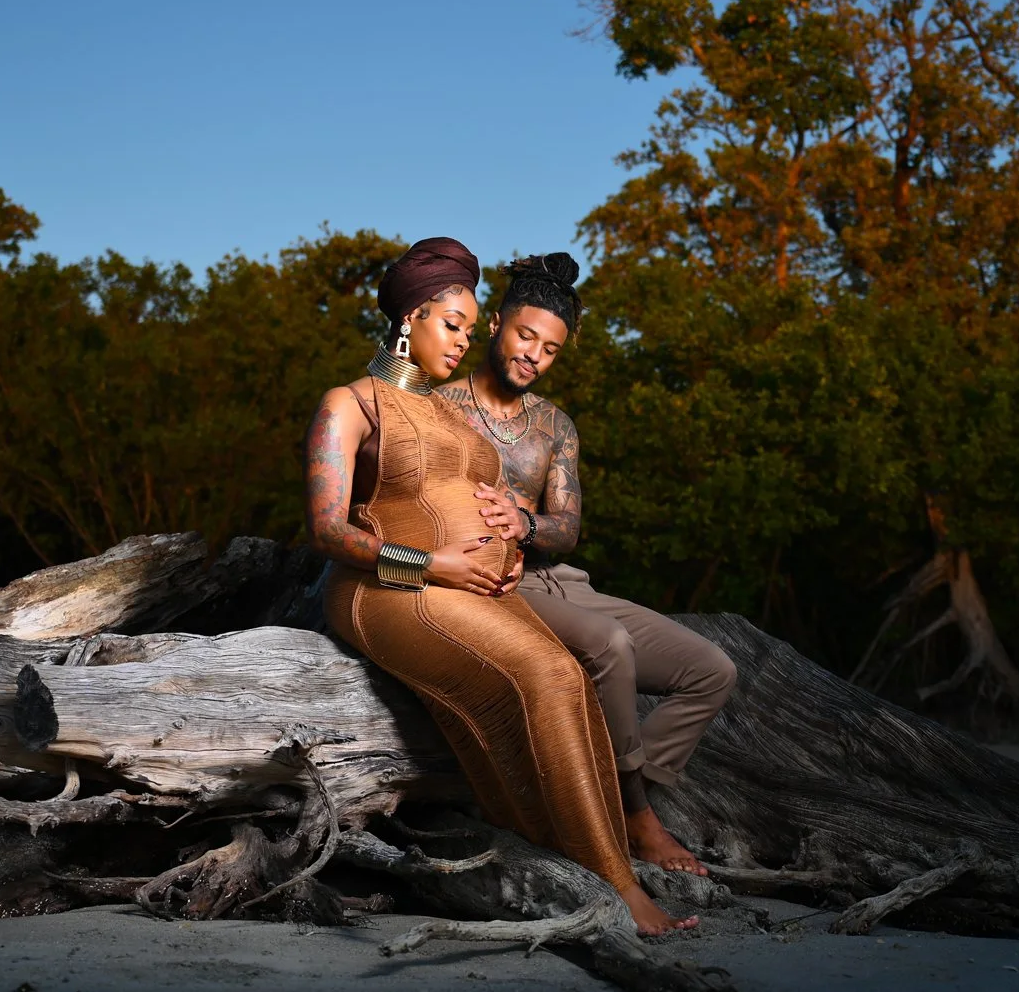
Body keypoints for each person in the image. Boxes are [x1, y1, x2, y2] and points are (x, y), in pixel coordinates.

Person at [303, 237, 696, 935]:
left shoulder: (447, 412)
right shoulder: (350, 402)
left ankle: (577, 857)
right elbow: (328, 532)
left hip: (473, 584)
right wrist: (433, 565)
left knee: (569, 680)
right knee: (545, 671)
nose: (461, 341)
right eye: (450, 324)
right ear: (410, 318)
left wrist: (509, 550)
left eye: (467, 326)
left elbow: (496, 506)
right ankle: (615, 887)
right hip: (384, 586)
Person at [437, 253, 736, 877]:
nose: (533, 355)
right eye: (525, 336)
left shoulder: (555, 425)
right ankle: (636, 821)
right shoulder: (439, 408)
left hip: (559, 579)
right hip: (496, 584)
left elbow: (566, 529)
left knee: (711, 669)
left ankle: (610, 796)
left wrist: (527, 520)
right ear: (495, 325)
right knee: (609, 643)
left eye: (550, 349)